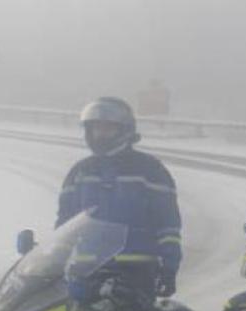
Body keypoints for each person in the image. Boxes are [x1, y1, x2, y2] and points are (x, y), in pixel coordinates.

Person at [57, 96, 182, 299]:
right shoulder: (80, 172)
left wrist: (169, 266)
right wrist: (54, 261)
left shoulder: (149, 169)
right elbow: (64, 223)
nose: (100, 135)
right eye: (95, 129)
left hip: (136, 272)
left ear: (124, 130)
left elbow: (168, 224)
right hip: (85, 272)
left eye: (107, 129)